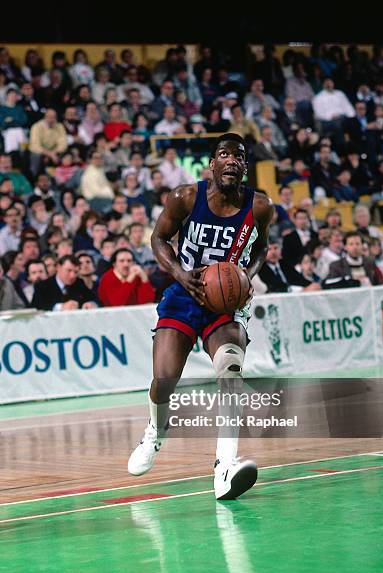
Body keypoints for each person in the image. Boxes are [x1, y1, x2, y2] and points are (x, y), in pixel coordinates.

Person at [127, 133, 275, 501]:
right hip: (184, 292)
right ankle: (156, 432)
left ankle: (225, 466)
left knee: (231, 367)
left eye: (239, 155)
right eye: (224, 154)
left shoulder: (259, 207)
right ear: (211, 164)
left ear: (244, 165)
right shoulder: (185, 197)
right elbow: (159, 239)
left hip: (223, 303)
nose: (231, 160)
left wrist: (246, 276)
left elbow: (262, 247)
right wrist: (179, 274)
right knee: (163, 379)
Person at [32, 254, 98, 311]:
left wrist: (91, 304)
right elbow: (36, 308)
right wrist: (60, 307)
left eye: (76, 272)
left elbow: (94, 299)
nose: (72, 276)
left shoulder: (79, 283)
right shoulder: (42, 286)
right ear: (58, 267)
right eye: (69, 270)